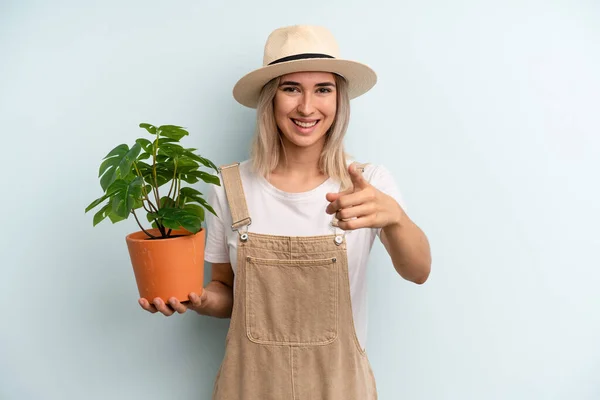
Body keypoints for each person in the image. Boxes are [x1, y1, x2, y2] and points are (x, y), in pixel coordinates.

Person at [139, 24, 431, 399]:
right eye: (291, 88)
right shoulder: (230, 187)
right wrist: (199, 299)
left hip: (340, 388)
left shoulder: (368, 184)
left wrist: (394, 217)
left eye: (323, 90)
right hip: (249, 387)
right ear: (269, 100)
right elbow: (226, 291)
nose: (307, 107)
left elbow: (418, 271)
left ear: (339, 100)